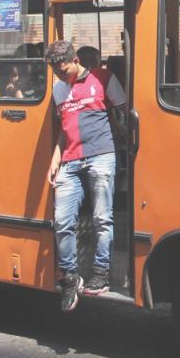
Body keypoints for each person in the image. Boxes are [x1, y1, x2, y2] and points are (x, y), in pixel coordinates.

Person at [44, 39, 125, 311]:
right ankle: (69, 277)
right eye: (55, 71)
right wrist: (55, 160)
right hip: (70, 160)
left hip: (102, 155)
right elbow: (62, 130)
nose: (60, 75)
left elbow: (123, 113)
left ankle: (100, 273)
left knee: (103, 217)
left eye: (63, 69)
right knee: (62, 221)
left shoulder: (104, 79)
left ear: (76, 61)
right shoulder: (58, 90)